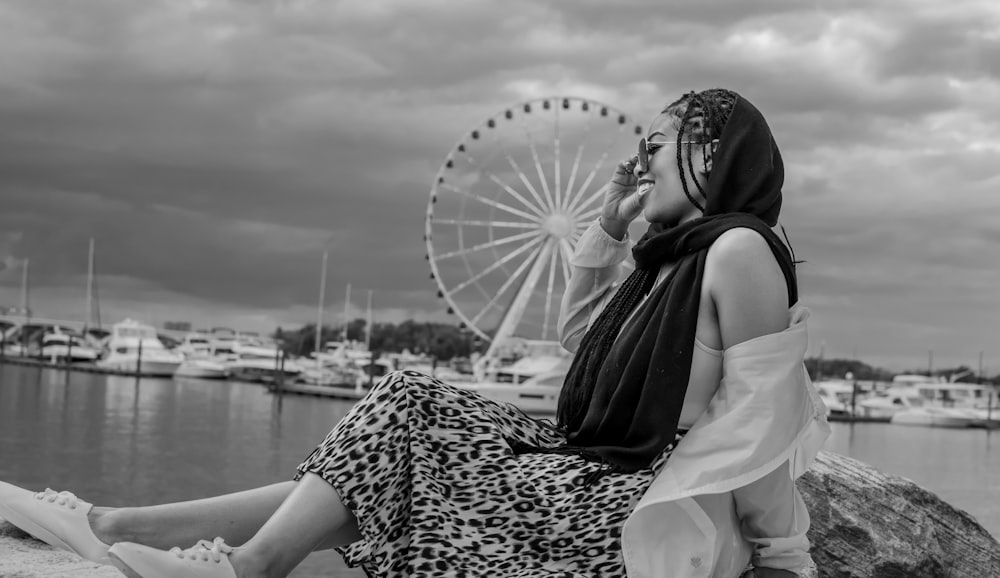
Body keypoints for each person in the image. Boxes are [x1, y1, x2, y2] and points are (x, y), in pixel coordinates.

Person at [0, 88, 829, 578]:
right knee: (406, 413)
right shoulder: (670, 260)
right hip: (598, 474)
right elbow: (585, 355)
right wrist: (605, 236)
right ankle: (124, 528)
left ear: (713, 153)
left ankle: (218, 557)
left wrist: (785, 561)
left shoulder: (740, 251)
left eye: (658, 141)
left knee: (407, 429)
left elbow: (759, 427)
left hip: (638, 510)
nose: (641, 158)